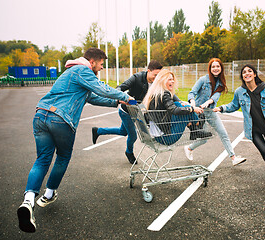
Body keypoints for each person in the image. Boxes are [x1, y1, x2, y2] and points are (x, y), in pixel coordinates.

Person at [17, 48, 134, 233]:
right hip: (60, 119)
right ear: (93, 61)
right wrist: (125, 96)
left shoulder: (72, 73)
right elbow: (101, 88)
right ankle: (48, 194)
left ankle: (28, 201)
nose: (102, 68)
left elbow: (93, 97)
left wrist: (117, 102)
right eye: (101, 64)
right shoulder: (83, 70)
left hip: (41, 116)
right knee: (63, 157)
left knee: (42, 160)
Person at [92, 60, 163, 164]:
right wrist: (123, 98)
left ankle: (98, 131)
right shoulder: (136, 78)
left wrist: (179, 101)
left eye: (158, 76)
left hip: (136, 110)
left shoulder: (155, 83)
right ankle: (129, 152)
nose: (156, 79)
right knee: (133, 135)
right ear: (148, 71)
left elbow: (163, 92)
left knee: (123, 131)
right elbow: (120, 88)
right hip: (126, 110)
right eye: (155, 75)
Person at [184, 58, 246, 164]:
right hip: (199, 113)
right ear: (210, 68)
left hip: (210, 112)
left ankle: (233, 158)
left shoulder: (221, 84)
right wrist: (193, 103)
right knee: (204, 138)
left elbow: (215, 98)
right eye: (213, 66)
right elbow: (192, 92)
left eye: (218, 66)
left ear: (221, 68)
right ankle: (189, 148)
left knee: (223, 133)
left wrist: (207, 103)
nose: (215, 68)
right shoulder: (203, 80)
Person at [142, 69, 212, 145]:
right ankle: (197, 124)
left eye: (173, 79)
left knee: (179, 105)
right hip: (167, 138)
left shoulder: (154, 94)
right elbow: (174, 110)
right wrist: (192, 109)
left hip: (159, 136)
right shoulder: (164, 94)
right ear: (162, 81)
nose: (173, 81)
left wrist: (183, 104)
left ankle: (194, 128)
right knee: (184, 109)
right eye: (170, 79)